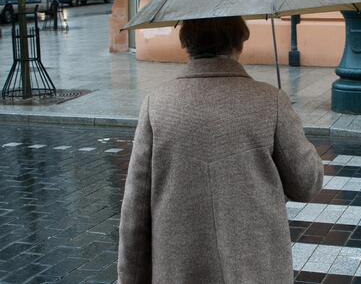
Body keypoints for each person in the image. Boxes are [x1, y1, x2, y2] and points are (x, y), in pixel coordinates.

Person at [117, 16, 324, 283]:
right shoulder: (270, 101)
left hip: (180, 272)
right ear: (240, 41)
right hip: (257, 271)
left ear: (186, 43)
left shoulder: (155, 106)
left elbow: (135, 214)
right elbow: (307, 183)